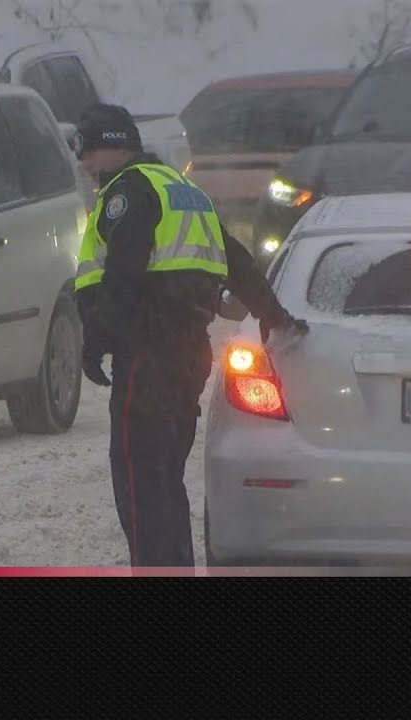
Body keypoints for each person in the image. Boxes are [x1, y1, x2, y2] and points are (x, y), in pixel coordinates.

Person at [72, 103, 308, 569]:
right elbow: (235, 257)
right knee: (165, 479)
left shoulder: (129, 192)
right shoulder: (181, 189)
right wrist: (273, 314)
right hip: (188, 354)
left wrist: (96, 338)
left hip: (146, 353)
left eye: (87, 150)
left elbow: (123, 271)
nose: (84, 164)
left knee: (139, 481)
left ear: (113, 147)